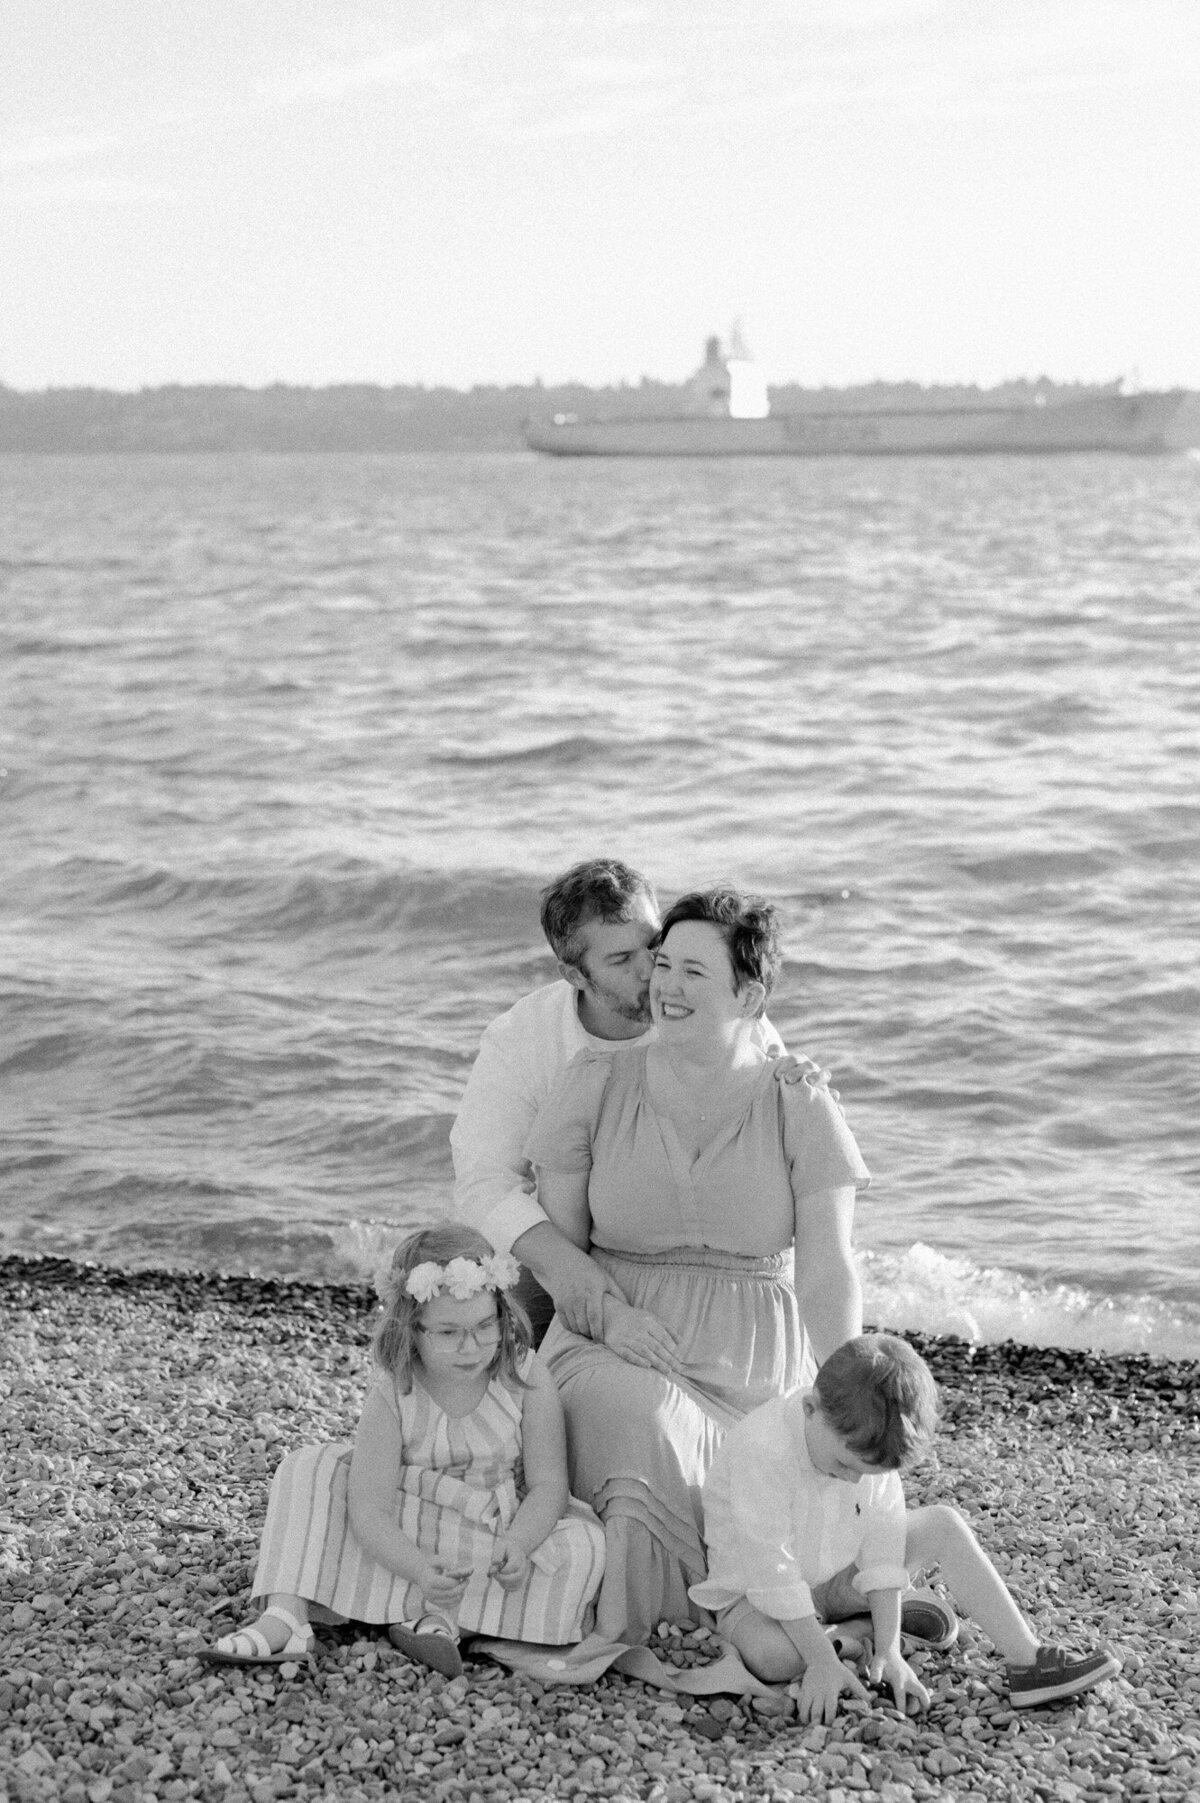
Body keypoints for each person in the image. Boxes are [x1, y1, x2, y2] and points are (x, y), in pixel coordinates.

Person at [525, 885, 870, 1643]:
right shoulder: (594, 1084)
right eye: (663, 964)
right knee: (639, 1413)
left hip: (748, 1355)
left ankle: (778, 1603)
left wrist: (848, 1379)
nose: (665, 987)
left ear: (749, 994)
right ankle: (724, 1613)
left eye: (693, 973)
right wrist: (607, 1321)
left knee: (766, 1465)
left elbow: (828, 1268)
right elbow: (561, 1251)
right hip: (612, 1334)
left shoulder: (799, 1102)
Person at [199, 1225, 605, 1679]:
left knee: (585, 1545)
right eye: (449, 1332)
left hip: (490, 1529)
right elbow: (370, 1507)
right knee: (308, 1466)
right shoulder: (395, 1391)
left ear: (501, 1312)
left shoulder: (524, 1374)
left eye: (484, 1326)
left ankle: (437, 1620)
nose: (471, 1346)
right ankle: (287, 1615)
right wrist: (415, 1566)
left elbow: (549, 1483)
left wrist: (519, 1544)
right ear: (411, 1331)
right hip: (406, 1533)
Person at [450, 858, 830, 1342]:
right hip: (562, 1242)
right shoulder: (523, 1038)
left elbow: (770, 1097)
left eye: (652, 944)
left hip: (687, 1250)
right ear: (575, 975)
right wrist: (569, 1270)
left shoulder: (708, 1008)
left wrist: (800, 1082)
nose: (654, 971)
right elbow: (483, 1182)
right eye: (620, 960)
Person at [691, 1333, 1122, 1722]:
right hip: (754, 1595)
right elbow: (772, 1572)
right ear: (810, 1410)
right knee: (772, 1659)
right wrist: (822, 1662)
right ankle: (855, 1634)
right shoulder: (763, 1450)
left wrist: (892, 1652)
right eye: (846, 1465)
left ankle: (1029, 1662)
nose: (856, 1480)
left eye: (869, 1472)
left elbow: (882, 1547)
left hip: (834, 1577)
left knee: (944, 1523)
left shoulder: (866, 1454)